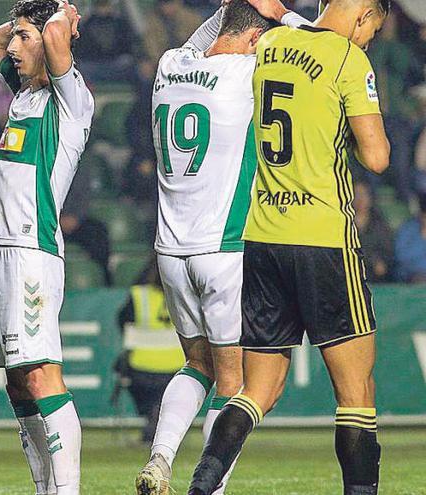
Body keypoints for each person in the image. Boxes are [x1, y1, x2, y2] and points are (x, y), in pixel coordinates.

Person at [187, 0, 392, 493]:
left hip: (263, 238)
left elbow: (297, 32)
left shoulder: (273, 45)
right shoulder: (349, 59)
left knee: (255, 391)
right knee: (356, 394)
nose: (368, 41)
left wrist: (280, 13)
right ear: (363, 16)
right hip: (324, 239)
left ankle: (199, 486)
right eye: (372, 31)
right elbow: (379, 157)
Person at [134, 1, 309, 493]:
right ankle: (210, 489)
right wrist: (281, 14)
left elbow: (214, 31)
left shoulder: (171, 65)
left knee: (196, 364)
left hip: (170, 251)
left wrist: (237, 7)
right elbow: (321, 43)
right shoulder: (246, 74)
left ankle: (160, 458)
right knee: (234, 383)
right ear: (257, 40)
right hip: (225, 248)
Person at [0, 1, 95, 493]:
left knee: (43, 375)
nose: (13, 47)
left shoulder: (70, 101)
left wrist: (54, 20)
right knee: (17, 381)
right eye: (18, 38)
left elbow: (50, 39)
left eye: (26, 38)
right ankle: (45, 487)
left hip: (31, 251)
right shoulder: (22, 94)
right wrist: (24, 18)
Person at [113, 260, 185, 444]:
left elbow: (123, 320)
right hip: (177, 368)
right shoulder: (183, 295)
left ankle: (152, 416)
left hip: (141, 368)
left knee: (131, 377)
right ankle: (160, 418)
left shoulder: (139, 295)